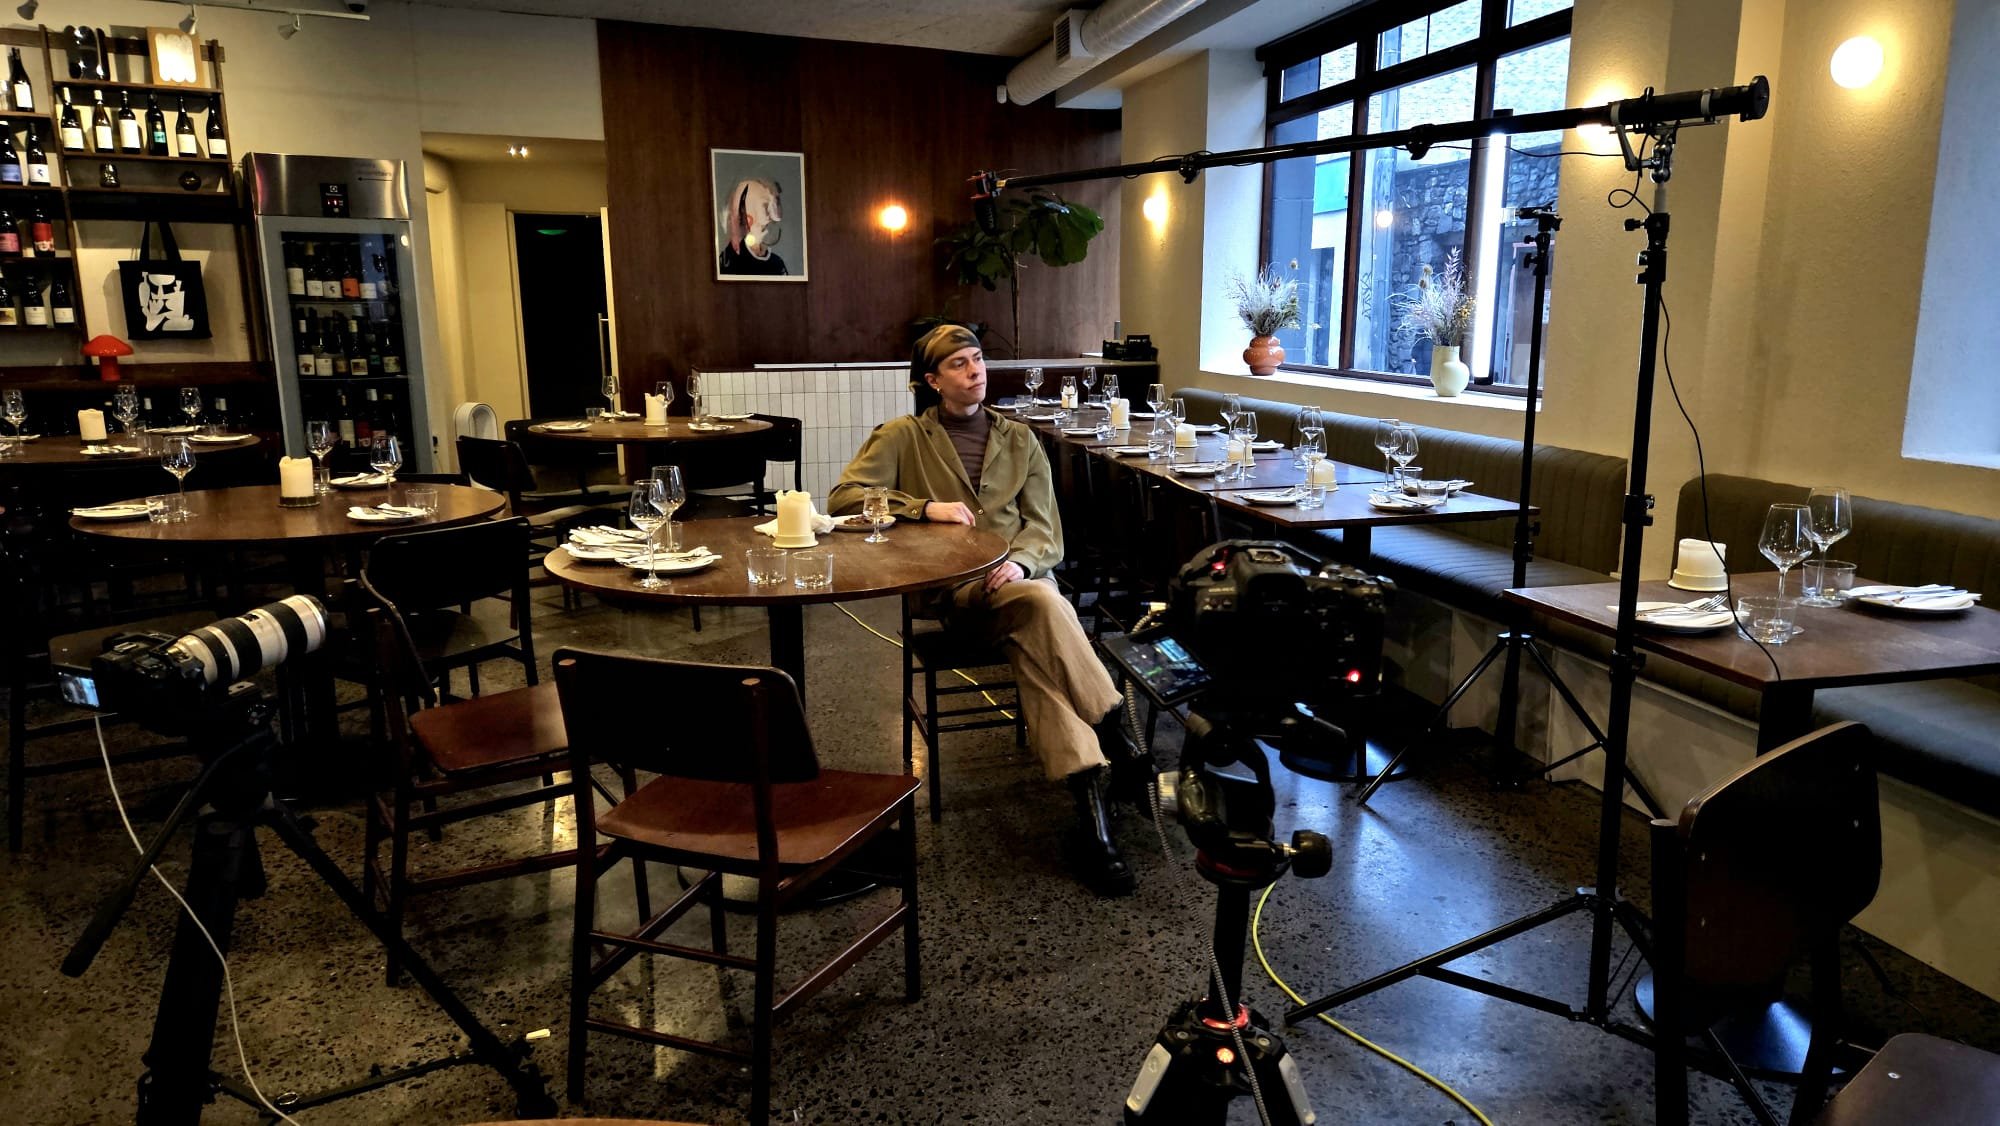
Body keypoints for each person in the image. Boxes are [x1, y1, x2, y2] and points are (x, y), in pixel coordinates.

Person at [829, 324, 1143, 896]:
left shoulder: (1020, 439)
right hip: (957, 594)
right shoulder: (902, 437)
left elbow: (1046, 530)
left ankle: (1094, 823)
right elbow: (844, 498)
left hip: (1019, 587)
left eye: (978, 359)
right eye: (959, 364)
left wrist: (1020, 563)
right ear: (932, 381)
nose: (975, 370)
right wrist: (925, 507)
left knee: (1037, 636)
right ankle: (1115, 729)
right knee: (1045, 602)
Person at [716, 177, 789, 276]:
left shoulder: (777, 264)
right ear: (744, 211)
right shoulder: (728, 263)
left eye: (773, 205)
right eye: (765, 206)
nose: (771, 216)